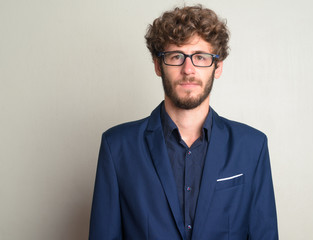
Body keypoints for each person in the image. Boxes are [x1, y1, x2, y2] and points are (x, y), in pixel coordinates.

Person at [89, 5, 278, 240]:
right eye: (176, 56)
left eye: (200, 57)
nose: (188, 70)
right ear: (158, 65)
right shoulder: (116, 147)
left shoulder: (252, 147)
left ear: (217, 67)